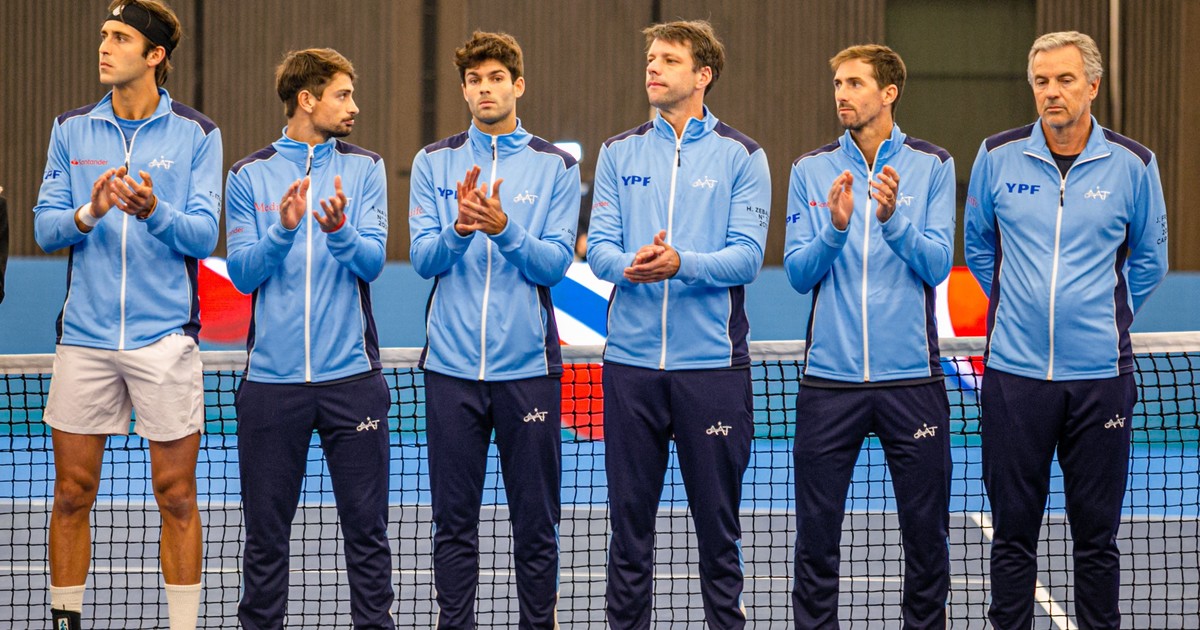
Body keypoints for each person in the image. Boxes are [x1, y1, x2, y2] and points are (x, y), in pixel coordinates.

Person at [965, 31, 1169, 629]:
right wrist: (1017, 306)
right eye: (1041, 81)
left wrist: (1103, 315)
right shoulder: (996, 156)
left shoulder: (1134, 165)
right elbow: (979, 247)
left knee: (1097, 539)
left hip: (1101, 379)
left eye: (1064, 79)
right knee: (1012, 537)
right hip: (1014, 379)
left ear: (1093, 85)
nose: (1051, 92)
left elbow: (1150, 260)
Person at [31, 1, 220, 628]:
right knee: (71, 493)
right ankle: (65, 624)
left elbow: (203, 234)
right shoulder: (70, 129)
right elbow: (45, 228)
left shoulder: (197, 134)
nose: (104, 46)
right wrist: (90, 212)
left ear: (155, 55)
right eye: (104, 35)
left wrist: (153, 211)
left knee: (177, 496)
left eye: (120, 37)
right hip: (84, 341)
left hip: (164, 341)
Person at [587, 20, 770, 629]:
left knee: (718, 532)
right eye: (651, 57)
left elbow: (747, 257)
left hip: (712, 371)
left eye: (668, 59)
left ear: (703, 75)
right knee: (628, 531)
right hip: (631, 370)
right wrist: (634, 265)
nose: (653, 67)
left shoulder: (743, 156)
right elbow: (599, 250)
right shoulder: (617, 152)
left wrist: (680, 263)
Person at [408, 31, 580, 629]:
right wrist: (458, 229)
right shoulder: (432, 162)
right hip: (449, 372)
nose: (485, 89)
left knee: (536, 524)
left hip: (528, 372)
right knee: (453, 523)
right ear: (464, 90)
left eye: (496, 78)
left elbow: (553, 265)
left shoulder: (556, 166)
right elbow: (424, 259)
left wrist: (504, 228)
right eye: (475, 80)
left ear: (518, 85)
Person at [783, 45, 954, 629]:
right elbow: (799, 274)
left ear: (889, 92)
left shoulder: (933, 165)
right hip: (828, 385)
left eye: (854, 83)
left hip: (912, 383)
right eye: (837, 83)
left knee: (927, 540)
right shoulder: (809, 169)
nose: (841, 93)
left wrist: (892, 221)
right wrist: (834, 230)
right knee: (815, 541)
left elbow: (937, 265)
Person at [224, 48, 393, 629]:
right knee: (265, 538)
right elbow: (243, 273)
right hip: (271, 388)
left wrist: (339, 230)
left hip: (354, 382)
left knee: (368, 534)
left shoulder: (367, 169)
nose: (354, 106)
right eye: (342, 95)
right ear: (307, 99)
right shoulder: (248, 175)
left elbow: (371, 263)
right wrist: (282, 229)